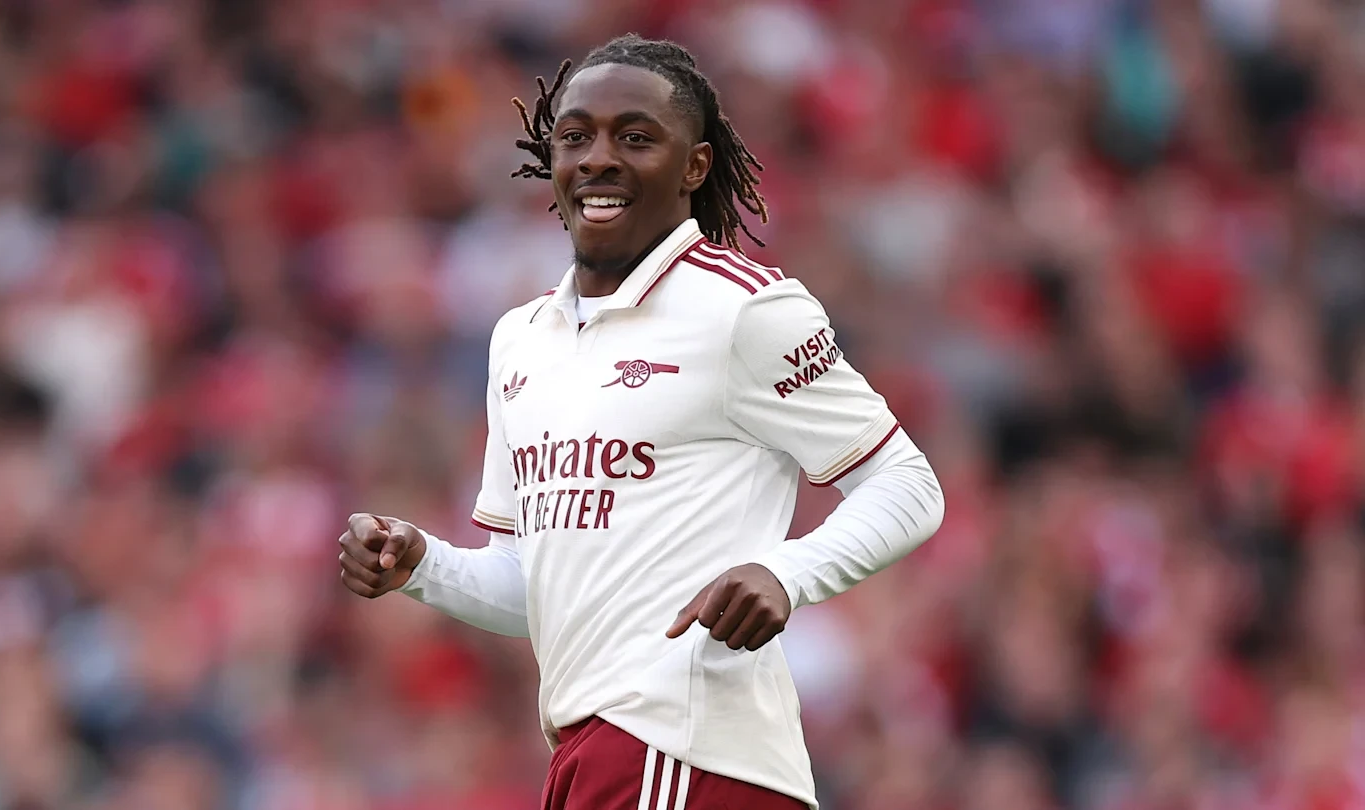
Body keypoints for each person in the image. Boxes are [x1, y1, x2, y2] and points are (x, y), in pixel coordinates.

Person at [337, 34, 945, 810]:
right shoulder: (521, 339)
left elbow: (907, 484)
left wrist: (786, 573)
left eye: (634, 137)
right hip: (595, 751)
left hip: (684, 749)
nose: (598, 158)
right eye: (575, 136)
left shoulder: (743, 309)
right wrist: (423, 566)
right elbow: (535, 588)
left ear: (694, 165)